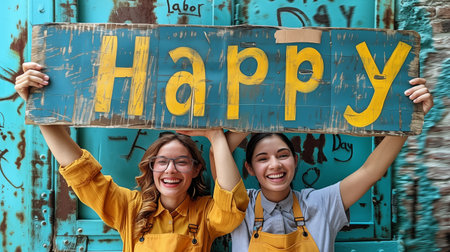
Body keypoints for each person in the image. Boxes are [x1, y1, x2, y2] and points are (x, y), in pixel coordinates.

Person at [15, 62, 249, 252]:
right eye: (162, 162)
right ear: (151, 168)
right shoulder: (130, 208)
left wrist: (216, 136)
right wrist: (39, 108)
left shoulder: (206, 212)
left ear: (197, 169)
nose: (170, 170)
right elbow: (80, 172)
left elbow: (230, 212)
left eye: (181, 162)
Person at [210, 78, 433, 252]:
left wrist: (411, 117)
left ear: (296, 160)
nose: (275, 165)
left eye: (283, 155)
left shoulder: (321, 203)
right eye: (262, 158)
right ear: (249, 168)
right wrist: (258, 109)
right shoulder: (239, 205)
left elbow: (371, 172)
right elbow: (217, 152)